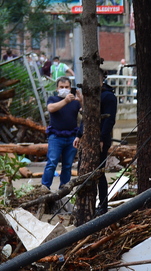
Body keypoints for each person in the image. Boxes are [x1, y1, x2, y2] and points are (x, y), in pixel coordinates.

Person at [75, 74, 117, 215]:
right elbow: (85, 118)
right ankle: (83, 205)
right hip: (87, 139)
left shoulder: (108, 97)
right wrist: (79, 135)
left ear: (101, 79)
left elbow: (109, 120)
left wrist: (101, 139)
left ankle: (103, 206)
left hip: (100, 140)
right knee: (83, 169)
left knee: (99, 173)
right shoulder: (90, 95)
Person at [41, 77, 82, 192]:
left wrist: (81, 100)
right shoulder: (53, 99)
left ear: (70, 88)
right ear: (57, 89)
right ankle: (45, 186)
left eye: (66, 87)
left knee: (67, 165)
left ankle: (64, 188)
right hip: (56, 136)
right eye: (61, 87)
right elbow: (51, 108)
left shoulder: (75, 102)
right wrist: (65, 101)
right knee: (52, 162)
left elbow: (85, 112)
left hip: (72, 136)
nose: (64, 89)